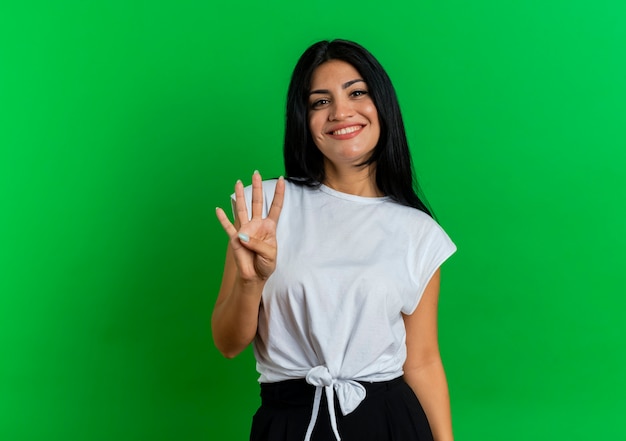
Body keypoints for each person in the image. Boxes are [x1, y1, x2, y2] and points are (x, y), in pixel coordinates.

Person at [213, 39, 457, 441]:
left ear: (382, 106)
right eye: (320, 102)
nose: (341, 112)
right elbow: (227, 343)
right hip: (290, 422)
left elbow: (423, 362)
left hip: (390, 423)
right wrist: (250, 281)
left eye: (357, 92)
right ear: (303, 120)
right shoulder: (268, 207)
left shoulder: (418, 231)